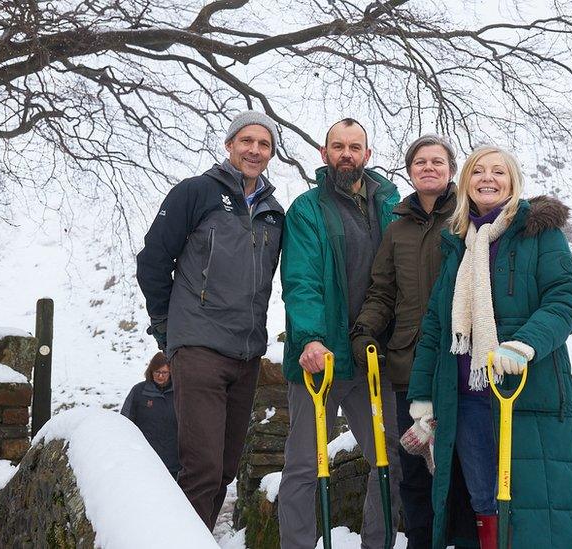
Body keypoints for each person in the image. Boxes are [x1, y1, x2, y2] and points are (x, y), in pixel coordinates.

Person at [404, 146, 572, 548]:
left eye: (498, 171)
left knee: (532, 509)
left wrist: (524, 345)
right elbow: (436, 326)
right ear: (466, 182)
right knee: (483, 501)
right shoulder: (458, 246)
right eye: (478, 171)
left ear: (512, 181)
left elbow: (565, 300)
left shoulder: (540, 234)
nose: (488, 178)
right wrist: (422, 396)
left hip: (527, 395)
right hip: (467, 402)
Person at [135, 111, 284, 530]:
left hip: (248, 352)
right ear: (229, 145)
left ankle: (194, 537)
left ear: (271, 153)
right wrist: (168, 327)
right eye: (246, 141)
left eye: (264, 144)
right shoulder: (196, 193)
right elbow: (152, 262)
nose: (255, 150)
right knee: (200, 468)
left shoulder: (275, 214)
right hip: (199, 346)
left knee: (223, 470)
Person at [279, 118, 403, 549]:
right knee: (302, 467)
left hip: (373, 358)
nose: (346, 154)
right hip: (323, 359)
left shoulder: (392, 206)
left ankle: (377, 543)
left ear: (367, 155)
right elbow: (301, 280)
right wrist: (311, 337)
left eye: (355, 147)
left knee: (390, 460)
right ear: (324, 153)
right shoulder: (307, 209)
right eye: (338, 146)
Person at [349, 134, 458, 549]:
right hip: (407, 366)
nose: (428, 168)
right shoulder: (396, 230)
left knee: (457, 461)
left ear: (450, 169)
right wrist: (364, 330)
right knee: (413, 464)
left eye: (437, 161)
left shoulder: (466, 219)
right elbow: (382, 291)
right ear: (409, 171)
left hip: (457, 361)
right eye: (420, 162)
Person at [121, 352, 179, 479]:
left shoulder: (179, 392)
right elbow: (125, 422)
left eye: (164, 373)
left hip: (173, 459)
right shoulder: (138, 391)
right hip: (145, 458)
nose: (160, 376)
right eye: (156, 372)